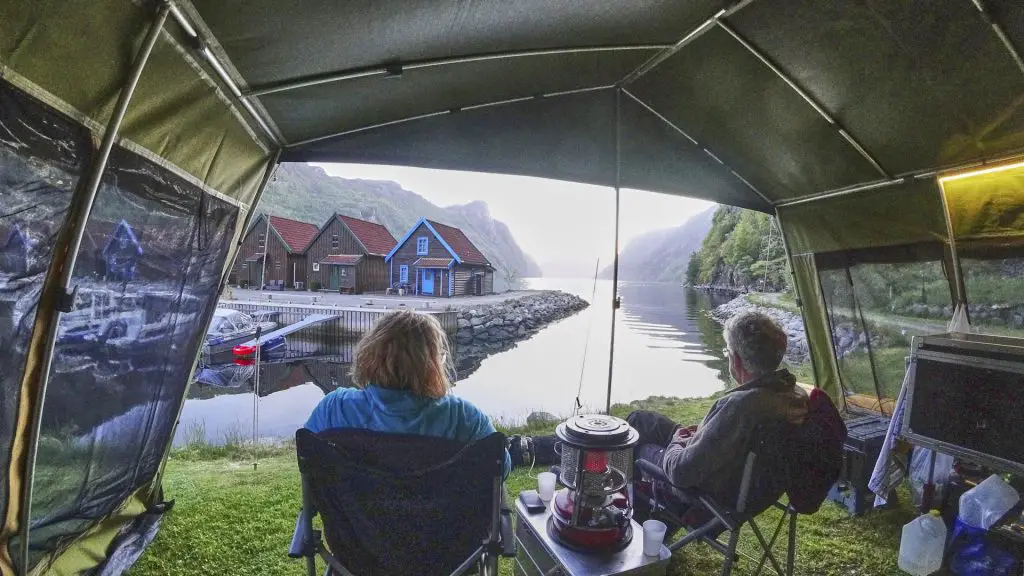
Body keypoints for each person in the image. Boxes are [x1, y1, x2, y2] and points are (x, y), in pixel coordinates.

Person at [628, 310, 808, 507]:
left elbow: (680, 472)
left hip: (707, 490)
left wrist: (678, 439)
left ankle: (625, 509)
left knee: (634, 442)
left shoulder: (741, 407)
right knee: (639, 420)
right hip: (736, 475)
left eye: (728, 352)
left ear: (736, 360)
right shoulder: (789, 392)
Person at [304, 309, 511, 478]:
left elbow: (307, 460)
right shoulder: (463, 418)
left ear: (368, 355)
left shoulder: (334, 409)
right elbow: (501, 468)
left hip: (355, 528)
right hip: (442, 528)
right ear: (432, 365)